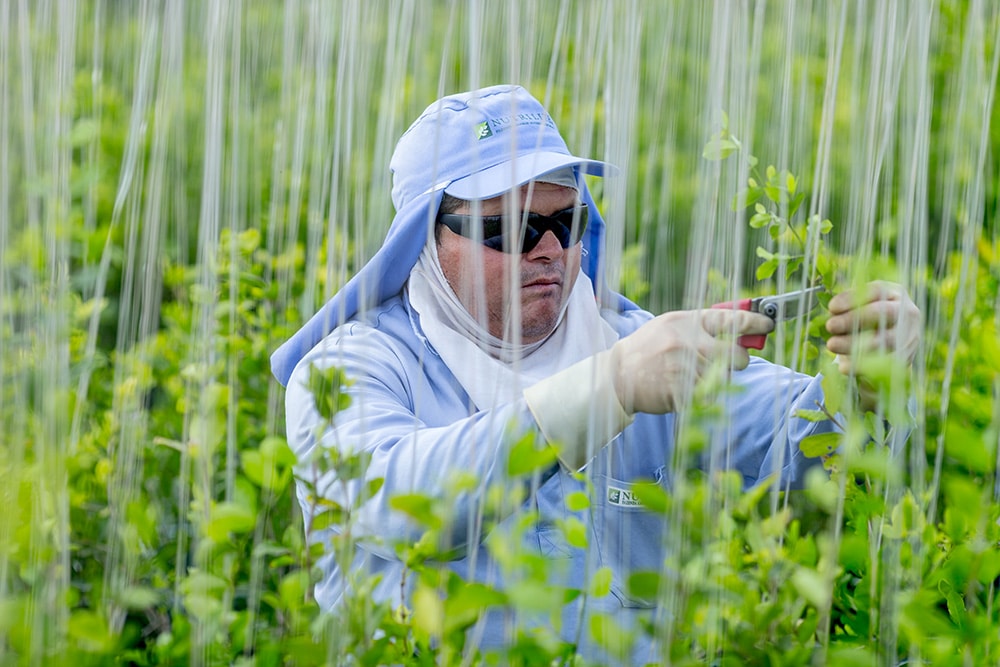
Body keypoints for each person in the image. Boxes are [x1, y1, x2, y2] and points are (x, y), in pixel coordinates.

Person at [271, 84, 920, 662]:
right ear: (426, 241)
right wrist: (607, 389)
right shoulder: (348, 370)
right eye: (516, 229)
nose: (551, 249)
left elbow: (808, 452)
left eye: (567, 221)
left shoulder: (634, 343)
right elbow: (409, 506)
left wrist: (863, 386)